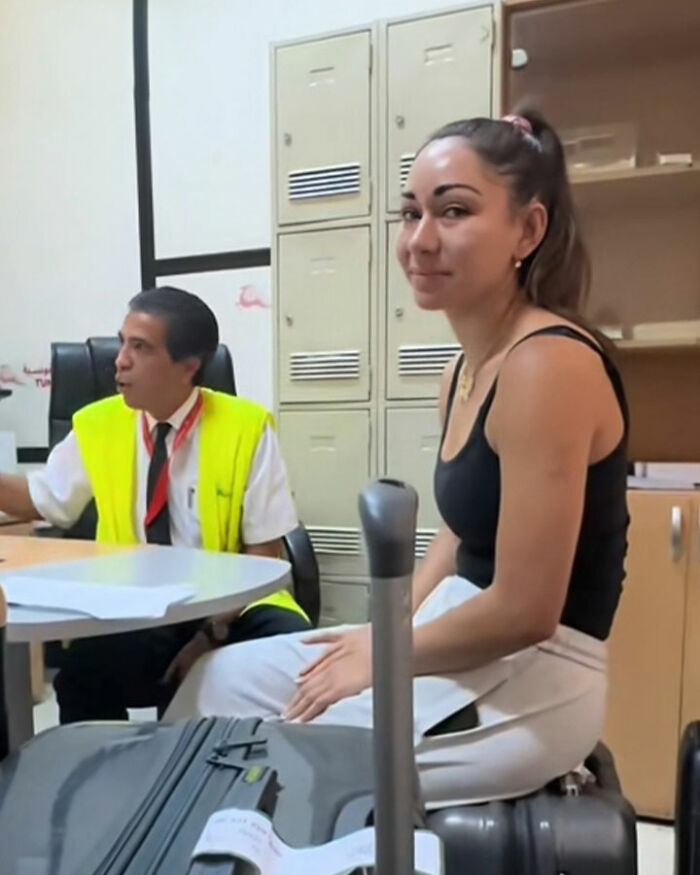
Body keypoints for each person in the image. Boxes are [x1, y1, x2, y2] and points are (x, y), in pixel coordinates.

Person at [164, 110, 629, 808]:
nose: (420, 239)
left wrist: (381, 657)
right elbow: (460, 534)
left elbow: (527, 611)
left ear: (527, 231)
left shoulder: (547, 365)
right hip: (462, 631)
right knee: (210, 685)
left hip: (536, 674)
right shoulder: (464, 370)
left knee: (285, 755)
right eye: (410, 213)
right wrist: (380, 632)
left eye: (454, 211)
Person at [0, 287, 311, 722]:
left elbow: (265, 553)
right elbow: (42, 497)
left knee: (296, 654)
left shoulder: (247, 427)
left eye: (140, 348)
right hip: (137, 607)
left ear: (189, 367)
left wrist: (209, 636)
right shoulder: (98, 424)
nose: (120, 360)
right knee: (81, 675)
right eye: (123, 341)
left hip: (230, 606)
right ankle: (106, 779)